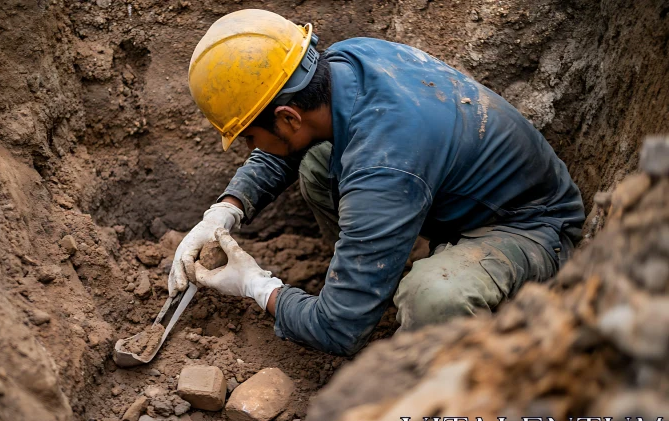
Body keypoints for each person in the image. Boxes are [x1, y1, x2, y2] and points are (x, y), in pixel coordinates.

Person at [169, 9, 585, 356]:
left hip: (531, 229)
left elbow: (336, 332)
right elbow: (287, 145)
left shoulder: (382, 171)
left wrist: (259, 288)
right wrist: (228, 207)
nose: (248, 149)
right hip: (449, 187)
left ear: (288, 117)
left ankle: (407, 338)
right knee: (316, 162)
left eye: (248, 137)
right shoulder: (348, 60)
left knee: (433, 296)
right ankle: (366, 280)